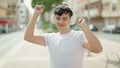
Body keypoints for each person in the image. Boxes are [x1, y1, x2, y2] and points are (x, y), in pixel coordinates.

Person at [24, 4, 103, 68]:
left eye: (64, 19)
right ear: (54, 19)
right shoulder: (50, 37)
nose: (60, 21)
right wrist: (35, 14)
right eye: (58, 18)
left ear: (70, 20)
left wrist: (84, 27)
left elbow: (98, 49)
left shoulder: (79, 36)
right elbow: (28, 37)